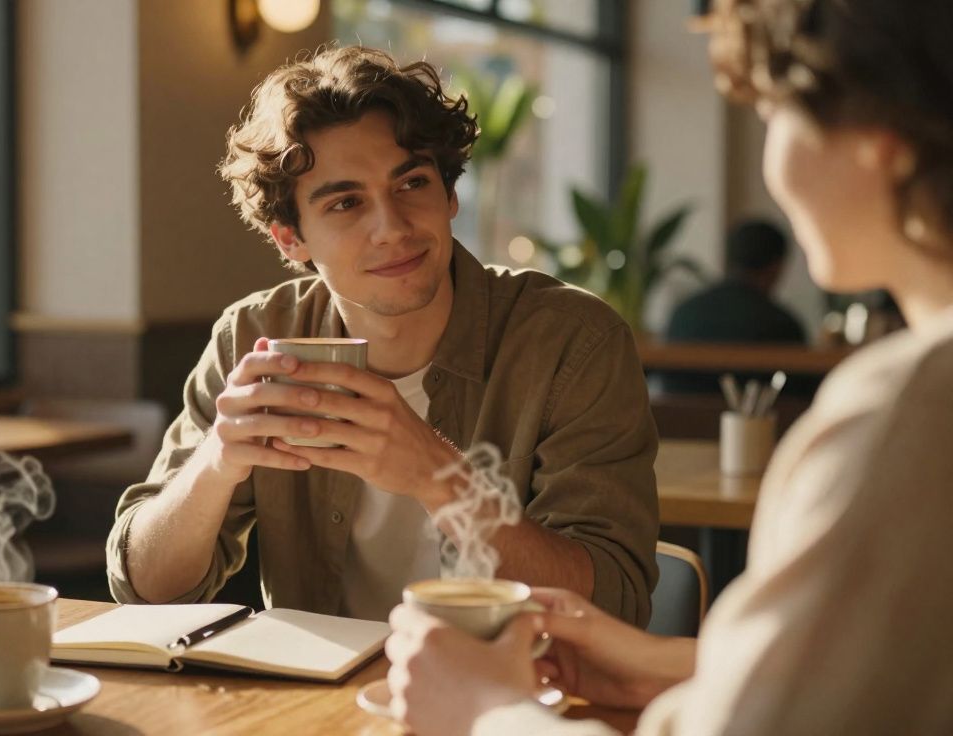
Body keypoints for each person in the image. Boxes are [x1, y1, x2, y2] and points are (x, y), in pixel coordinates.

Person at [386, 0, 953, 733]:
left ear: (882, 139)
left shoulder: (909, 411)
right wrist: (680, 667)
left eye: (776, 114)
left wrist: (487, 711)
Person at [104, 46, 661, 625]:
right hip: (318, 706)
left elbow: (612, 603)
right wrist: (217, 461)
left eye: (412, 183)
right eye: (346, 202)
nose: (392, 228)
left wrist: (437, 474)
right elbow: (145, 591)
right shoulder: (256, 336)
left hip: (508, 696)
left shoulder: (573, 341)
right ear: (290, 239)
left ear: (449, 197)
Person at [656, 220, 807, 394]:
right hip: (761, 420)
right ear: (776, 265)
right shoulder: (783, 326)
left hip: (676, 420)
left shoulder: (683, 313)